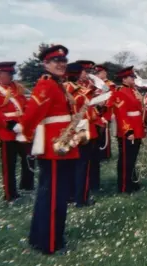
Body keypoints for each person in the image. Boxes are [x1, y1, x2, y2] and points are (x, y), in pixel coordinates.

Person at [14, 44, 79, 254]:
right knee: (53, 198)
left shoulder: (57, 84)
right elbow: (31, 114)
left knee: (53, 195)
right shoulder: (47, 85)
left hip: (62, 145)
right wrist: (28, 137)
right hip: (54, 149)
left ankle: (40, 238)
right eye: (56, 62)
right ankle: (49, 244)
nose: (61, 65)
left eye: (63, 62)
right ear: (46, 64)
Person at [0, 61, 34, 201]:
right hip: (7, 132)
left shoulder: (18, 88)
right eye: (7, 73)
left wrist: (27, 123)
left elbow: (26, 106)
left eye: (11, 73)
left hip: (23, 129)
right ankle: (10, 194)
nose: (10, 76)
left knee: (29, 159)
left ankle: (27, 186)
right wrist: (10, 125)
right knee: (9, 165)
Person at [106, 66, 144, 193]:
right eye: (131, 77)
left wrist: (141, 100)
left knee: (132, 158)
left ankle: (132, 182)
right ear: (124, 79)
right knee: (125, 160)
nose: (133, 79)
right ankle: (123, 186)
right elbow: (121, 113)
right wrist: (128, 131)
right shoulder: (120, 91)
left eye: (133, 77)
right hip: (128, 130)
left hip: (137, 127)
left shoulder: (133, 90)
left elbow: (139, 109)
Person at [66, 62, 98, 207]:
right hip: (81, 130)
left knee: (75, 165)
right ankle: (81, 198)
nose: (86, 74)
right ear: (77, 74)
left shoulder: (74, 89)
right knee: (82, 166)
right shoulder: (74, 90)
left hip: (76, 129)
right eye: (83, 72)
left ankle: (72, 195)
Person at [94, 64, 116, 160]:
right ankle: (98, 152)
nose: (98, 75)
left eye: (99, 73)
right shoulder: (96, 84)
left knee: (104, 132)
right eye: (97, 73)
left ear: (104, 73)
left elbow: (112, 97)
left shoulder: (109, 84)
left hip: (105, 111)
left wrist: (105, 106)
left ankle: (105, 154)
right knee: (97, 133)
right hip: (96, 110)